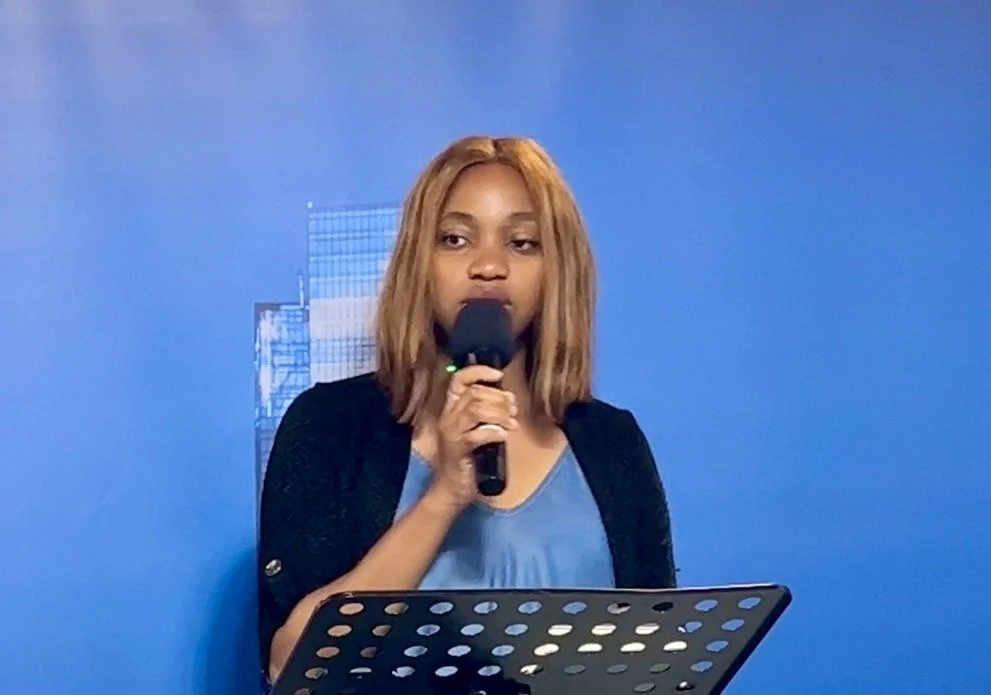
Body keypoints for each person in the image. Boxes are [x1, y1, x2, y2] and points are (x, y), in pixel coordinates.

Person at [257, 135, 677, 685]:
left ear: (558, 268)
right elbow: (291, 664)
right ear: (419, 263)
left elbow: (662, 662)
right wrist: (446, 495)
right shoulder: (330, 426)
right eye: (455, 239)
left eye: (523, 243)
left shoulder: (612, 444)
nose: (488, 265)